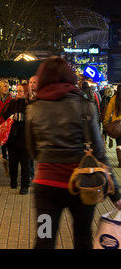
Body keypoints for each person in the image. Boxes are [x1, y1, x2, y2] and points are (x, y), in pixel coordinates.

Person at [26, 57, 121, 249]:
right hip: (83, 187)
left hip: (46, 189)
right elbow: (100, 154)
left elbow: (32, 150)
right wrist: (116, 194)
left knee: (44, 240)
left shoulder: (33, 108)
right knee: (83, 238)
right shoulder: (85, 105)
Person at [2, 83, 31, 194]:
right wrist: (12, 117)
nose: (18, 93)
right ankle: (13, 181)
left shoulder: (31, 104)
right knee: (12, 162)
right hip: (13, 137)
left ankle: (25, 186)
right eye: (17, 91)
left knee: (25, 164)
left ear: (26, 92)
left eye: (20, 91)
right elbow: (5, 115)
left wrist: (23, 118)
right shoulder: (12, 103)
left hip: (26, 138)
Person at [103, 84, 121, 167]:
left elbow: (108, 112)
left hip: (116, 124)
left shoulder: (113, 99)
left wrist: (105, 122)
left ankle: (120, 162)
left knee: (119, 143)